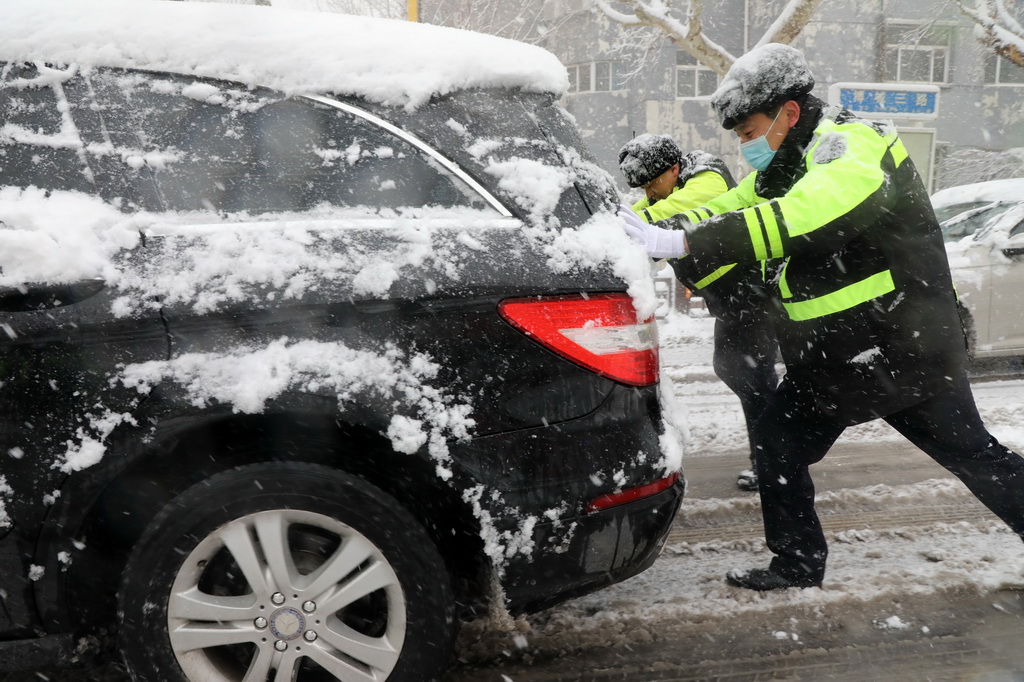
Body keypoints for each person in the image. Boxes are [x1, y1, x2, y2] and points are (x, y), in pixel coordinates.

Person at [617, 43, 1024, 591]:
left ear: (788, 111)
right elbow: (734, 204)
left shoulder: (853, 142)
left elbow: (817, 210)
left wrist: (684, 239)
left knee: (972, 454)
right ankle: (797, 565)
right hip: (834, 355)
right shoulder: (784, 164)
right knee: (778, 445)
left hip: (899, 344)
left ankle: (799, 563)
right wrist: (642, 227)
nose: (746, 145)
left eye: (749, 130)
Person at [618, 134, 778, 491]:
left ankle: (775, 463)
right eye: (642, 187)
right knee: (733, 369)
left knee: (755, 381)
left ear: (674, 169)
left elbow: (667, 217)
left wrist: (618, 224)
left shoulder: (709, 179)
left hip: (755, 297)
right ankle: (782, 436)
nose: (649, 193)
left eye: (652, 184)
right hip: (734, 304)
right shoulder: (669, 184)